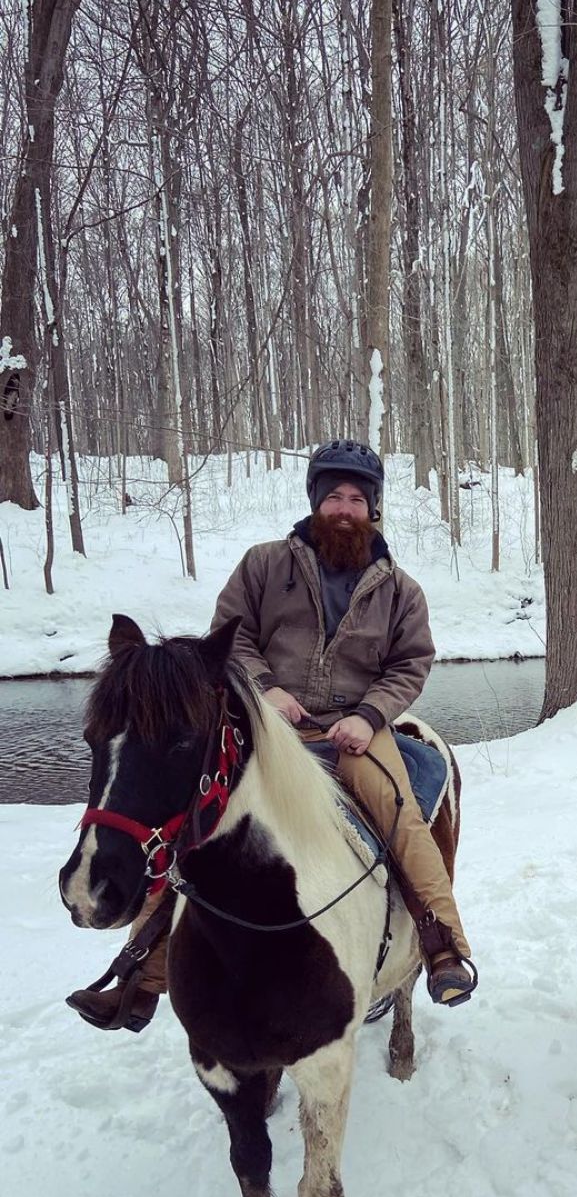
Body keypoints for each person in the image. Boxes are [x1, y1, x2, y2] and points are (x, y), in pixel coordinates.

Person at [67, 439, 476, 1032]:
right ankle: (142, 975)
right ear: (315, 501)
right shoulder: (264, 565)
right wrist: (264, 690)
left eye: (357, 499)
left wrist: (368, 715)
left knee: (397, 808)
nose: (344, 508)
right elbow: (228, 639)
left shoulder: (400, 590)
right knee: (196, 818)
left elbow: (411, 663)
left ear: (373, 509)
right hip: (265, 722)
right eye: (332, 495)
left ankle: (441, 944)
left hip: (354, 729)